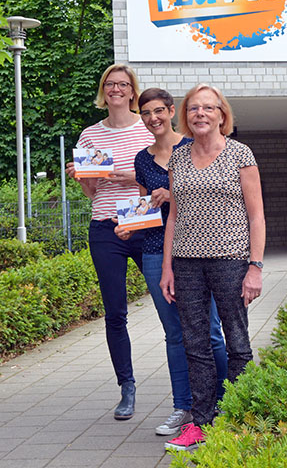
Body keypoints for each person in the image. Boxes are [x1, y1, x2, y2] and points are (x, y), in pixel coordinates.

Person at [115, 88, 228, 437]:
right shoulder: (141, 159)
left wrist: (171, 193)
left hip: (195, 249)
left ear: (171, 110)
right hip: (153, 251)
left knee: (209, 332)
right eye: (146, 113)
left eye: (159, 111)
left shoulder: (192, 146)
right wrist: (130, 225)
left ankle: (225, 402)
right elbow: (144, 206)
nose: (153, 119)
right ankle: (185, 408)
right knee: (175, 334)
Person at [160, 83, 265, 451]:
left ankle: (238, 419)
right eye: (193, 108)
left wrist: (255, 266)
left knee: (237, 342)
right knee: (195, 345)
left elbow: (256, 216)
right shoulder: (178, 156)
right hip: (186, 263)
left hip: (231, 261)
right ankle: (201, 423)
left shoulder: (240, 154)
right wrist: (167, 268)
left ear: (222, 115)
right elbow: (173, 216)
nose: (200, 113)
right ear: (186, 116)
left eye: (208, 107)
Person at [66, 63, 154, 421]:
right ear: (104, 91)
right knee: (115, 312)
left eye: (123, 84)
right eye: (110, 84)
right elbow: (92, 192)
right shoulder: (90, 136)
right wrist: (81, 177)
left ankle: (191, 380)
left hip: (143, 220)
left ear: (133, 91)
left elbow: (162, 170)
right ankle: (127, 387)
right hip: (105, 227)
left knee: (170, 300)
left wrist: (126, 174)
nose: (116, 89)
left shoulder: (148, 128)